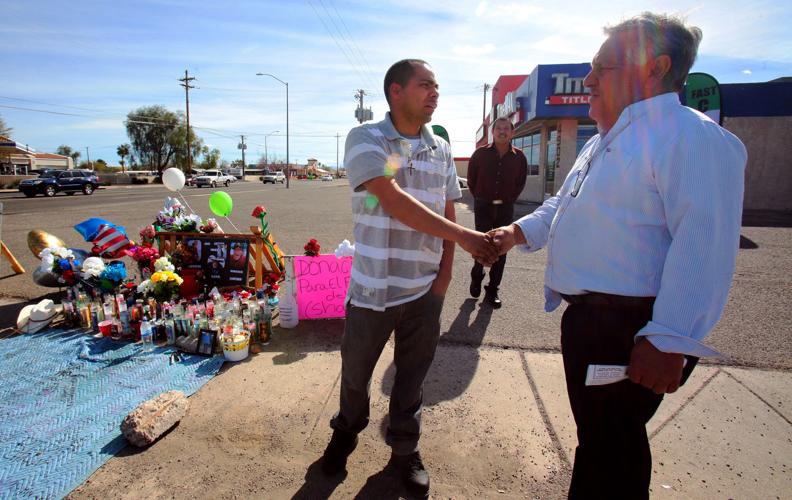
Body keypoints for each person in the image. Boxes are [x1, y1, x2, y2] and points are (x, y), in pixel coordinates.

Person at [490, 13, 746, 499]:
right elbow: (560, 206)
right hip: (592, 325)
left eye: (602, 67)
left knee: (612, 454)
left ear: (656, 67)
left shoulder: (689, 137)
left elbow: (703, 246)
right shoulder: (604, 142)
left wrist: (670, 340)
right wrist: (514, 233)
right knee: (603, 444)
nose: (588, 79)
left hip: (633, 331)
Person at [320, 59, 498, 498]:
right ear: (395, 92)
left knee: (411, 379)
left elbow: (448, 204)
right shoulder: (367, 138)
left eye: (437, 86)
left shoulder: (439, 144)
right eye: (425, 85)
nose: (435, 93)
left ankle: (404, 451)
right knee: (356, 376)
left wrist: (445, 275)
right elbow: (391, 198)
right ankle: (346, 432)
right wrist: (469, 239)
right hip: (372, 289)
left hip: (424, 292)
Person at [467, 116, 527, 308]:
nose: (502, 131)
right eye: (498, 128)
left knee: (501, 247)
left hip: (505, 207)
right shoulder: (479, 154)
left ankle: (492, 290)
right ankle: (477, 275)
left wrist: (508, 199)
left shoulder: (520, 157)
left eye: (506, 128)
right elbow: (471, 180)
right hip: (483, 205)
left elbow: (520, 182)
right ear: (492, 132)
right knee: (482, 243)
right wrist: (480, 197)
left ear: (512, 132)